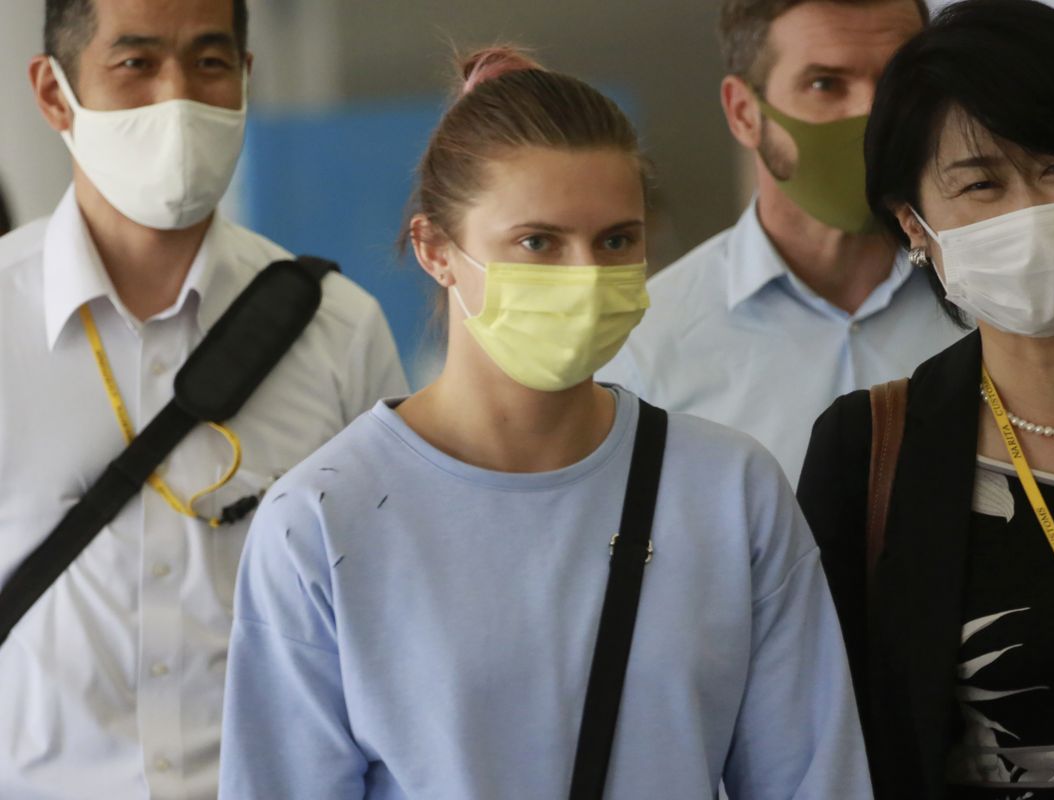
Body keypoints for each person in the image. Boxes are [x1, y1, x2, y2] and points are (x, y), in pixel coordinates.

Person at [218, 47, 871, 800]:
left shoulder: (731, 491)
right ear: (437, 251)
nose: (585, 277)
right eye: (538, 242)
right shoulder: (323, 520)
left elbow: (814, 780)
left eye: (617, 240)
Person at [0, 1, 407, 797]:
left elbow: (391, 629)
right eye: (136, 63)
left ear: (246, 80)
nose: (178, 96)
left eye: (210, 63)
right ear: (53, 93)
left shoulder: (338, 331)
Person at [797, 1, 1054, 797]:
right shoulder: (868, 450)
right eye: (981, 184)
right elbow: (839, 736)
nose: (1032, 211)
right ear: (915, 224)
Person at [598, 0, 964, 485]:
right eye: (825, 84)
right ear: (744, 113)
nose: (874, 113)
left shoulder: (994, 303)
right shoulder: (647, 349)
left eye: (899, 78)